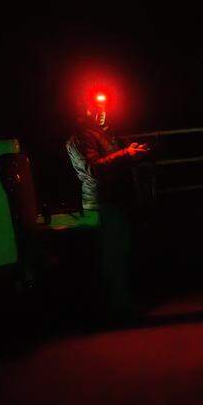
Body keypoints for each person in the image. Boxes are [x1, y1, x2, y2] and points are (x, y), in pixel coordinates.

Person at [65, 91, 150, 318]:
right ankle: (117, 309)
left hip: (112, 202)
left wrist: (128, 153)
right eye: (97, 108)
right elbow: (93, 169)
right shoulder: (83, 138)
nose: (102, 113)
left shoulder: (98, 135)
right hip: (103, 205)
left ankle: (121, 305)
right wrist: (126, 154)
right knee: (113, 256)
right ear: (84, 110)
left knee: (119, 255)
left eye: (104, 108)